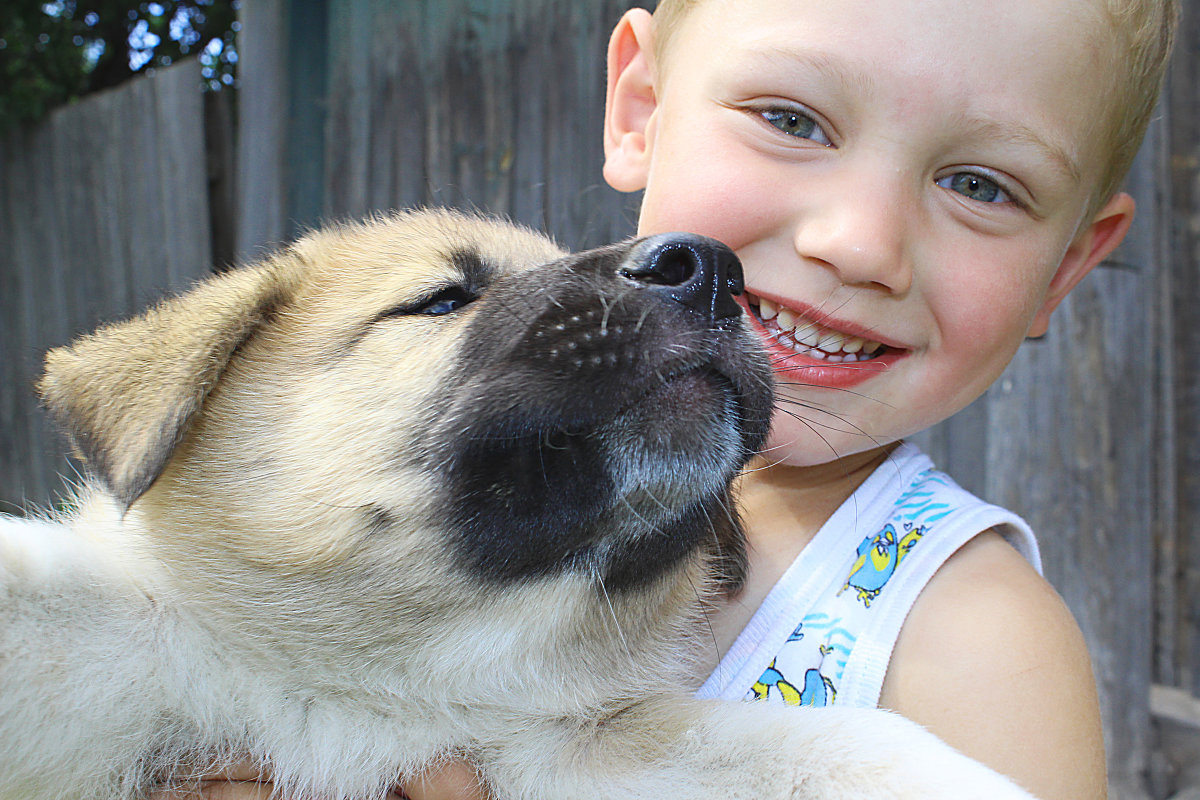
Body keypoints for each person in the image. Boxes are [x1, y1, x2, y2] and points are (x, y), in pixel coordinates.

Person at [153, 0, 1178, 798]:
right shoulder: (441, 478)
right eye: (792, 119)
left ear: (1065, 267)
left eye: (982, 185)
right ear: (640, 108)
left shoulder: (975, 641)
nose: (860, 243)